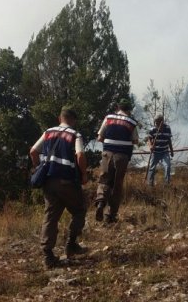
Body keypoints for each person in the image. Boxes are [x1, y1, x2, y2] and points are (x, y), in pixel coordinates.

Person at [29, 107, 88, 268]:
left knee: (51, 216)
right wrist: (83, 174)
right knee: (79, 210)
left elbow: (33, 151)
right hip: (67, 181)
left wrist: (38, 167)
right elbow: (80, 155)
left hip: (48, 181)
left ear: (59, 118)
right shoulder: (75, 134)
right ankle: (71, 245)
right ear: (73, 120)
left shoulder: (48, 132)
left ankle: (48, 256)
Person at [95, 98, 138, 224]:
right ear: (129, 110)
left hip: (107, 154)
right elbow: (135, 141)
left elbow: (99, 138)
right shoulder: (131, 122)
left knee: (104, 179)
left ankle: (101, 203)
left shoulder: (108, 118)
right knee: (117, 185)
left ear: (117, 108)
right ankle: (111, 215)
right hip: (122, 156)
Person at [146, 115, 174, 186]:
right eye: (155, 122)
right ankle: (150, 184)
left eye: (158, 122)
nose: (156, 124)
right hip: (155, 152)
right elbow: (148, 140)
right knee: (152, 168)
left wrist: (171, 150)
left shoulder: (167, 128)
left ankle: (166, 184)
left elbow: (169, 140)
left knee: (167, 166)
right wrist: (151, 146)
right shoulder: (152, 129)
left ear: (162, 122)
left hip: (165, 152)